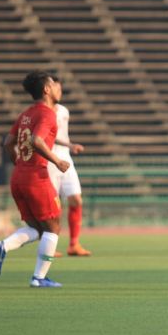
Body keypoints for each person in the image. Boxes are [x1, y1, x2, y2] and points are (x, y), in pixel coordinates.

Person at [0, 70, 70, 288]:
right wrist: (57, 161)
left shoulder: (26, 114)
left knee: (37, 230)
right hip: (37, 177)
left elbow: (8, 142)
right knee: (53, 228)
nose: (56, 87)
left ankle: (2, 246)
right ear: (46, 89)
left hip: (19, 177)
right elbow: (36, 140)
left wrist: (19, 163)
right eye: (53, 83)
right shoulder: (46, 114)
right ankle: (39, 278)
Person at [48, 92, 92, 257]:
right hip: (50, 159)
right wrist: (71, 144)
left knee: (76, 199)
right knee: (53, 204)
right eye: (54, 86)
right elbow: (46, 137)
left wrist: (68, 146)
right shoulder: (43, 112)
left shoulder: (64, 111)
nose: (57, 91)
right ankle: (50, 245)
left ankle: (74, 244)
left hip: (65, 157)